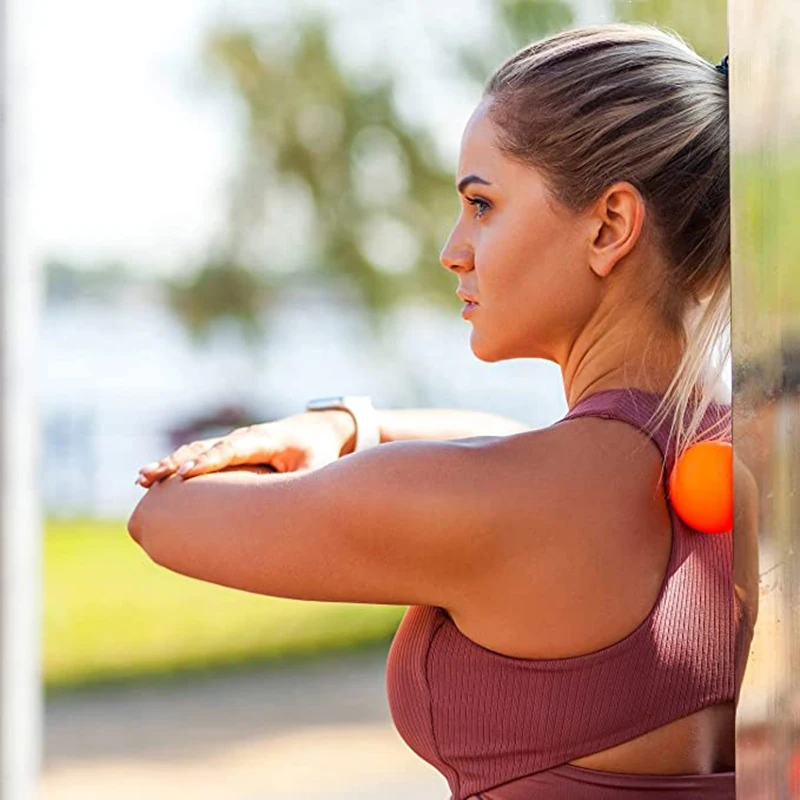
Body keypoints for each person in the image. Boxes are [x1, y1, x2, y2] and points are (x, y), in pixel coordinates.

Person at [130, 22, 756, 799]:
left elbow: (164, 517)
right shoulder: (733, 461)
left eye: (482, 204)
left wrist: (337, 432)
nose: (452, 250)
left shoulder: (503, 501)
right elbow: (512, 449)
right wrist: (350, 425)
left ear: (609, 226)